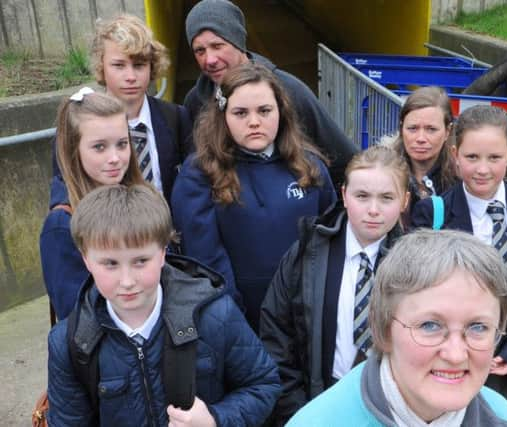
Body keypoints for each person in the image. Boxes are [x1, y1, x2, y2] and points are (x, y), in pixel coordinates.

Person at [46, 184, 281, 426]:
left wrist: (215, 419)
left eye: (140, 261)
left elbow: (264, 384)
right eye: (110, 264)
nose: (127, 281)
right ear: (86, 259)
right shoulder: (70, 342)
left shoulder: (215, 313)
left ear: (162, 254)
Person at [412, 105, 507, 414]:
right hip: (447, 358)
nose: (483, 169)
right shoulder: (433, 213)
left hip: (500, 365)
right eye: (472, 157)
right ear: (455, 155)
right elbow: (413, 291)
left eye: (494, 158)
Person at [286, 229, 507, 426]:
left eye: (478, 327)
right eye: (430, 325)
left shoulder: (501, 416)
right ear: (383, 329)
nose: (455, 354)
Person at [172, 63, 337, 332]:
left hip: (307, 313)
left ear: (281, 112)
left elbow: (330, 241)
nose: (254, 122)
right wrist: (235, 322)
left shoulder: (310, 166)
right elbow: (206, 263)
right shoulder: (199, 174)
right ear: (223, 115)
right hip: (240, 320)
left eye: (264, 111)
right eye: (240, 113)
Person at [260, 145, 409, 425]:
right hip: (317, 401)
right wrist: (298, 410)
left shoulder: (417, 266)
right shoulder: (307, 253)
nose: (373, 210)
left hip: (389, 409)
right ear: (344, 195)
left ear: (404, 201)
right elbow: (276, 334)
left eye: (387, 198)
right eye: (362, 196)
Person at [183, 0, 357, 190]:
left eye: (217, 46)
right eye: (199, 50)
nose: (210, 60)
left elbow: (345, 160)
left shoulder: (290, 91)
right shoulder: (196, 101)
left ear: (238, 42)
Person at [51, 13, 193, 205]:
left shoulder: (175, 117)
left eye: (139, 65)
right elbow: (64, 188)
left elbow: (194, 183)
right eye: (119, 65)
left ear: (152, 67)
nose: (131, 76)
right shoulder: (79, 120)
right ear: (101, 66)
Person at [40, 88, 145, 320]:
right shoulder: (61, 225)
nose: (115, 158)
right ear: (73, 150)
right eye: (99, 147)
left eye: (122, 144)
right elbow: (76, 317)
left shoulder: (141, 197)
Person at [388, 86, 458, 227]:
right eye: (412, 128)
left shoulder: (463, 180)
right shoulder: (382, 172)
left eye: (431, 129)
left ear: (447, 131)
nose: (420, 138)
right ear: (401, 129)